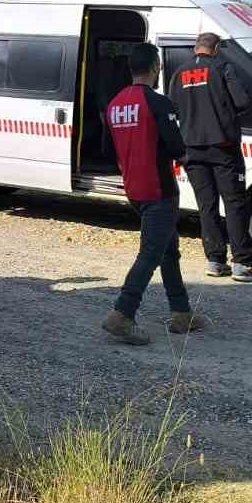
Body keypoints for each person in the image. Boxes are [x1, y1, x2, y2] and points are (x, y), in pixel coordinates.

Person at [103, 43, 205, 345]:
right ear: (155, 67)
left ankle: (181, 312)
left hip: (134, 188)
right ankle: (122, 314)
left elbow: (110, 151)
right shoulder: (159, 103)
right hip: (160, 189)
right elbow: (176, 148)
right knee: (151, 253)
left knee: (168, 251)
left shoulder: (115, 104)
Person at [169, 33, 252, 282]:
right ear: (217, 48)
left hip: (191, 148)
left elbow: (174, 108)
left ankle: (215, 261)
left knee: (206, 206)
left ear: (195, 48)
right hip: (223, 147)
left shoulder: (180, 73)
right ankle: (242, 263)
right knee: (234, 204)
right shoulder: (223, 67)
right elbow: (242, 102)